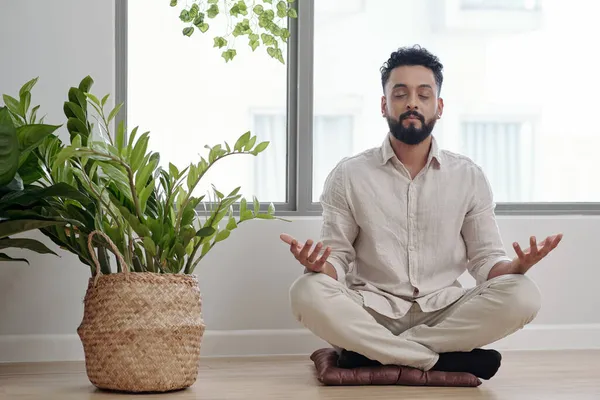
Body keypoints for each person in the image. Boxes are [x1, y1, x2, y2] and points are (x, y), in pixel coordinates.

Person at [280, 45, 563, 380]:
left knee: (524, 294)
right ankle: (437, 360)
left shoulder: (468, 176)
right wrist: (319, 267)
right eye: (400, 94)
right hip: (372, 309)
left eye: (423, 94)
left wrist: (517, 267)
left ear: (438, 107)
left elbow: (486, 260)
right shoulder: (349, 174)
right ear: (385, 104)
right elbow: (338, 260)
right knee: (306, 291)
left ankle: (377, 353)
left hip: (444, 312)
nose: (412, 102)